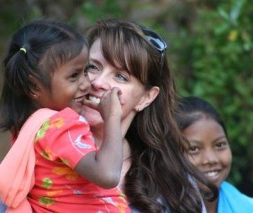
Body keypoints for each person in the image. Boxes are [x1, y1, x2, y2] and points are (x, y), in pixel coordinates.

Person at [0, 19, 130, 212]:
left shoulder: (28, 128)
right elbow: (107, 175)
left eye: (85, 71)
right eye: (74, 76)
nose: (86, 84)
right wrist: (112, 117)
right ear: (34, 87)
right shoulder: (60, 124)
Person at [81, 19, 218, 213]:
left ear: (146, 98)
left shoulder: (172, 184)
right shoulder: (42, 148)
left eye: (120, 76)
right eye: (92, 67)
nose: (98, 83)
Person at [175, 96, 253, 213]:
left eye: (219, 145)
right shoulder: (153, 208)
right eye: (194, 149)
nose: (211, 159)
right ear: (167, 155)